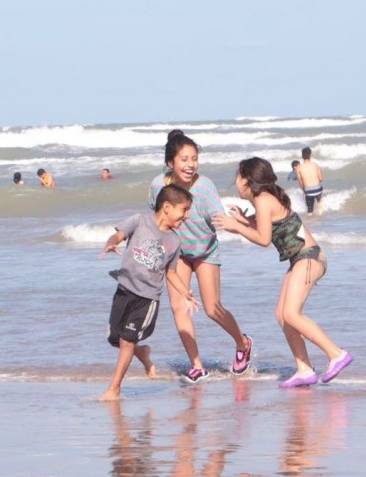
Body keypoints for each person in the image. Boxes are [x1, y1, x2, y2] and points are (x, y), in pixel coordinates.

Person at [214, 157, 353, 388]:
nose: (235, 182)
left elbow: (263, 239)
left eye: (237, 177)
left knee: (291, 314)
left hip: (309, 257)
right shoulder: (265, 199)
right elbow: (267, 225)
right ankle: (304, 369)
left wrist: (236, 226)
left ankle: (336, 353)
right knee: (282, 314)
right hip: (301, 259)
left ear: (247, 180)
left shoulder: (262, 199)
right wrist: (244, 220)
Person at [149, 130, 254, 383]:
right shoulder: (157, 186)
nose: (190, 165)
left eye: (194, 158)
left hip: (205, 251)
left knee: (212, 308)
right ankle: (196, 366)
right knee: (178, 307)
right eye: (184, 159)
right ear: (170, 163)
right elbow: (157, 220)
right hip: (178, 254)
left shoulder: (204, 186)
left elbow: (216, 216)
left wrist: (232, 223)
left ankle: (242, 343)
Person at [98, 184, 197, 401]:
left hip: (147, 299)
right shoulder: (139, 221)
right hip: (124, 290)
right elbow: (118, 235)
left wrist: (185, 293)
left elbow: (170, 273)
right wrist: (110, 243)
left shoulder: (174, 241)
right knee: (115, 338)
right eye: (184, 210)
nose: (186, 216)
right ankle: (143, 354)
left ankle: (114, 388)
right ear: (168, 207)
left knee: (126, 341)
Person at [296, 147, 324, 216]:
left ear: (302, 156)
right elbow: (321, 179)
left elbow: (300, 182)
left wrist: (304, 190)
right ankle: (321, 216)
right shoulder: (315, 165)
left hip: (308, 191)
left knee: (310, 209)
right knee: (319, 203)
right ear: (310, 155)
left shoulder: (298, 167)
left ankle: (312, 222)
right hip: (318, 189)